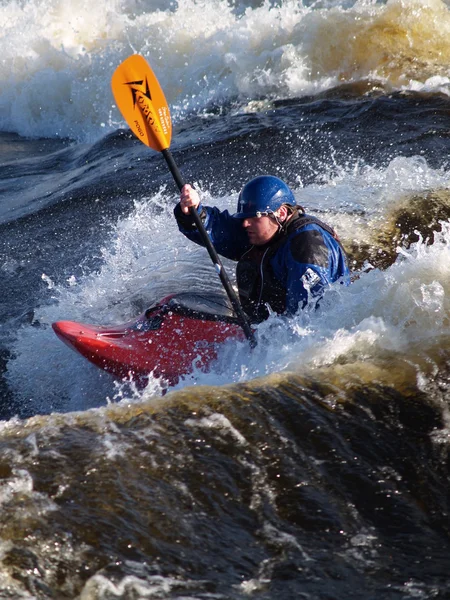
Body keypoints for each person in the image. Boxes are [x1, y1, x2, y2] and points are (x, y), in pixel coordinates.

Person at [174, 175, 350, 323]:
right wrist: (193, 213)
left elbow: (308, 320)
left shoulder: (307, 248)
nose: (245, 223)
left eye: (253, 217)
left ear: (281, 213)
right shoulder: (263, 229)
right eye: (244, 217)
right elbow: (219, 230)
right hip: (264, 327)